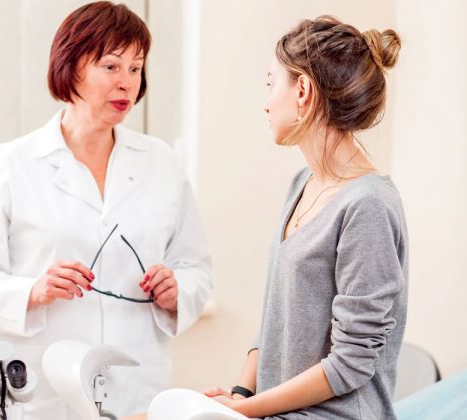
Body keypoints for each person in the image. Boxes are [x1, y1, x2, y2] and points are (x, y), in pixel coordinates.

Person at [126, 15, 407, 420]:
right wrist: (240, 394)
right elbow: (277, 319)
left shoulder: (369, 205)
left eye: (272, 84)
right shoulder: (302, 184)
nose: (266, 102)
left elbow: (351, 362)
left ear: (303, 91)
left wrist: (243, 411)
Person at [0, 2, 212, 419]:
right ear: (70, 67)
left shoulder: (163, 165)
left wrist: (178, 291)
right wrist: (32, 291)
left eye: (136, 68)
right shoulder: (7, 167)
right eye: (111, 66)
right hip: (49, 395)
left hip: (139, 391)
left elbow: (196, 268)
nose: (126, 82)